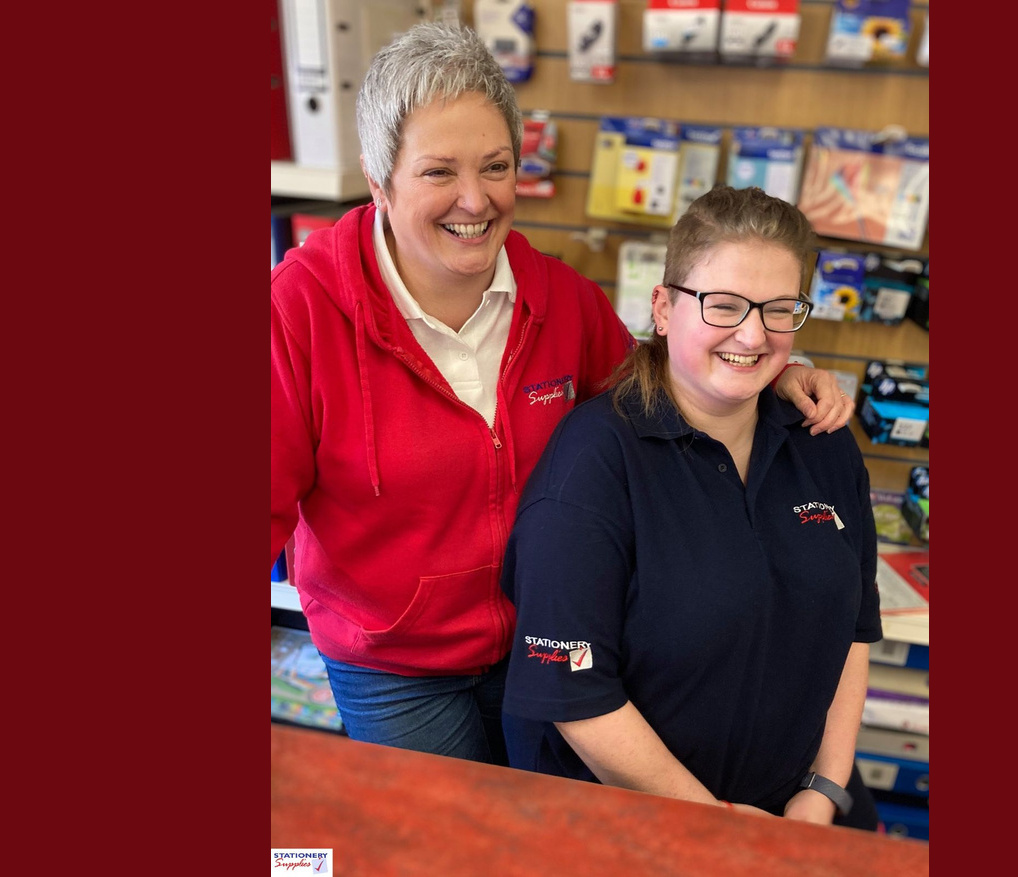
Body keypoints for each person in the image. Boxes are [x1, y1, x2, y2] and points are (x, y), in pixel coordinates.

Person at [270, 23, 854, 767]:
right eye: (438, 172)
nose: (474, 200)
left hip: (547, 644)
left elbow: (666, 385)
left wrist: (779, 371)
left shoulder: (561, 299)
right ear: (378, 179)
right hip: (397, 667)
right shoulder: (296, 314)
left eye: (496, 166)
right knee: (448, 849)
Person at [500, 184, 882, 829]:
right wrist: (721, 829)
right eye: (724, 305)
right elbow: (574, 690)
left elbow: (852, 629)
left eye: (779, 309)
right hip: (631, 822)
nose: (753, 334)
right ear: (663, 307)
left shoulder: (821, 440)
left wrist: (822, 792)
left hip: (801, 813)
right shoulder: (595, 462)